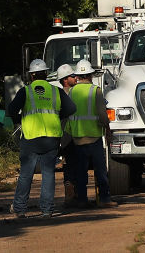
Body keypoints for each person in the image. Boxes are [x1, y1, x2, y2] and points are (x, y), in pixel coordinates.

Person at [7, 58, 75, 218]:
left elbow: (11, 109)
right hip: (51, 139)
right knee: (48, 174)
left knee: (26, 175)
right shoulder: (55, 91)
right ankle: (46, 210)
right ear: (45, 74)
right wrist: (58, 116)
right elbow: (72, 108)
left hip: (30, 139)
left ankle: (20, 209)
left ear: (31, 76)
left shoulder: (26, 91)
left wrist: (19, 122)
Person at [68, 58, 117, 208]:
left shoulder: (72, 91)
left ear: (78, 76)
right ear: (90, 75)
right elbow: (102, 114)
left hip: (77, 137)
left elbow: (68, 114)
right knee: (100, 171)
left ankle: (82, 199)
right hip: (94, 137)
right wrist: (108, 131)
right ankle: (104, 199)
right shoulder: (95, 90)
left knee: (81, 172)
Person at [55, 63, 78, 206]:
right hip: (69, 135)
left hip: (68, 135)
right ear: (65, 79)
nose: (75, 77)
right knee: (72, 165)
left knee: (70, 165)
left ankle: (71, 196)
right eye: (72, 76)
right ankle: (72, 196)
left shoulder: (59, 94)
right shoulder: (65, 94)